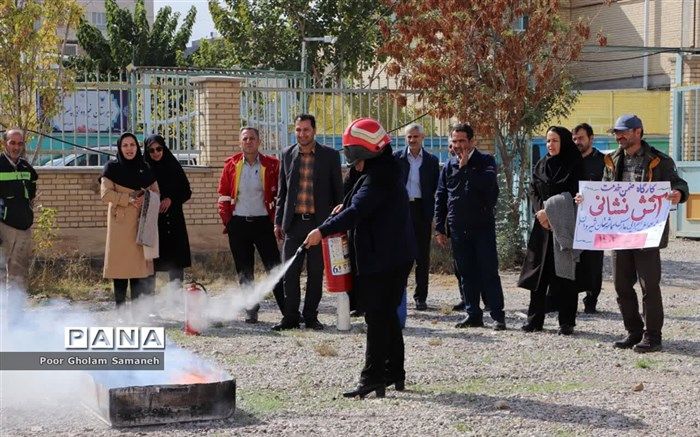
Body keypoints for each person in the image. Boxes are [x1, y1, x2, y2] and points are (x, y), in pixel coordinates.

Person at [304, 118, 415, 398]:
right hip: (387, 255)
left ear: (363, 152)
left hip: (386, 258)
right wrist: (347, 203)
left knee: (377, 318)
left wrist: (321, 230)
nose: (348, 157)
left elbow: (357, 212)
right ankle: (394, 373)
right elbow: (356, 200)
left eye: (350, 150)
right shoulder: (377, 170)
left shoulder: (380, 177)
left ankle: (372, 378)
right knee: (387, 315)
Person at [586, 114, 688, 352]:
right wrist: (587, 198)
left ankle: (652, 337)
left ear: (638, 132)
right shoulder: (611, 159)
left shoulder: (659, 160)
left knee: (648, 285)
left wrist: (678, 194)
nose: (618, 136)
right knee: (621, 285)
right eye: (616, 133)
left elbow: (680, 184)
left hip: (647, 232)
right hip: (620, 233)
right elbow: (604, 190)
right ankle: (633, 331)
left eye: (623, 132)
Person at [273, 114, 343, 330]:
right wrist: (278, 222)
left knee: (315, 273)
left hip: (318, 225)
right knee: (290, 273)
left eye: (306, 130)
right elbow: (282, 193)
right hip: (293, 225)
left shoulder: (330, 156)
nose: (302, 134)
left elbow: (338, 192)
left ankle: (311, 316)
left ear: (314, 131)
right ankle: (290, 317)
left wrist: (335, 223)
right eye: (298, 130)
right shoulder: (287, 154)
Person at [434, 123, 506, 330]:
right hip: (458, 228)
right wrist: (440, 227)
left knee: (488, 271)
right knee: (466, 272)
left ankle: (497, 315)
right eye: (454, 141)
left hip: (482, 227)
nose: (457, 146)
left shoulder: (486, 161)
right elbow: (441, 196)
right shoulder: (448, 166)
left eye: (462, 141)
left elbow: (489, 187)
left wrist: (466, 169)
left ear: (472, 141)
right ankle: (473, 313)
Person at [518, 126, 583, 335]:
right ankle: (534, 319)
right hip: (543, 227)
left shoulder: (574, 163)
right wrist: (540, 213)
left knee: (564, 274)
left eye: (554, 141)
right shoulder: (542, 164)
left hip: (563, 226)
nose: (550, 145)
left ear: (563, 142)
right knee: (539, 275)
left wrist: (550, 213)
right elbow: (533, 189)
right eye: (547, 141)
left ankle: (566, 322)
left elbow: (574, 192)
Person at [217, 127, 284, 323]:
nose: (249, 142)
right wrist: (228, 222)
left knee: (274, 267)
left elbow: (280, 194)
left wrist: (276, 221)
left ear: (259, 141)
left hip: (263, 224)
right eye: (245, 139)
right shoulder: (231, 165)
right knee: (244, 270)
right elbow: (222, 195)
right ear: (240, 142)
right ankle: (251, 309)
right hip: (238, 225)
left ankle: (287, 310)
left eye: (252, 138)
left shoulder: (272, 164)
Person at [101, 132, 159, 306]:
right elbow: (105, 194)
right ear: (120, 148)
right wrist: (129, 199)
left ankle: (135, 311)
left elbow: (156, 192)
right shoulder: (112, 167)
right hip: (119, 224)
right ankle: (120, 310)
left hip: (140, 223)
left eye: (132, 145)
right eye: (125, 145)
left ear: (137, 147)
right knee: (119, 268)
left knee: (137, 269)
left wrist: (146, 197)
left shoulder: (145, 167)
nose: (129, 149)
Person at [394, 123, 439, 310]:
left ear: (422, 137)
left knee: (422, 256)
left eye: (415, 137)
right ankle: (398, 294)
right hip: (402, 210)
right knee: (401, 254)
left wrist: (434, 215)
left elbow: (437, 188)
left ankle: (421, 297)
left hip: (422, 210)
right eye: (409, 137)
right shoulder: (396, 158)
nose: (412, 140)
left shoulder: (431, 161)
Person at [143, 134, 192, 288]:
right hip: (154, 222)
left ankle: (176, 301)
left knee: (176, 262)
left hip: (174, 220)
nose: (156, 152)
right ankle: (148, 304)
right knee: (151, 263)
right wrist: (154, 202)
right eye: (151, 150)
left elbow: (186, 191)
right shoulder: (144, 169)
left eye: (159, 148)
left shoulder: (173, 165)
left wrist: (171, 199)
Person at [572, 123, 605, 314]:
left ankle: (591, 300)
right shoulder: (568, 161)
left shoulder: (604, 161)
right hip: (573, 218)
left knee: (593, 263)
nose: (577, 142)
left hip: (596, 221)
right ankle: (569, 299)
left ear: (591, 139)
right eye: (574, 139)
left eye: (581, 138)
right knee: (572, 260)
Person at [0, 129, 38, 291]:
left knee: (19, 275)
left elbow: (31, 193)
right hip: (3, 226)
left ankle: (15, 313)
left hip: (23, 227)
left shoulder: (25, 167)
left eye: (20, 143)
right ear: (4, 144)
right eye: (12, 142)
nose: (16, 147)